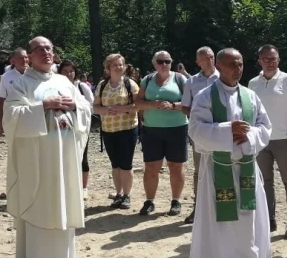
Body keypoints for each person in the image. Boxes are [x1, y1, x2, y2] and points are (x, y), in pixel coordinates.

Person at [4, 36, 91, 258]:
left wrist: (74, 105)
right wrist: (44, 105)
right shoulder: (21, 84)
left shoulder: (64, 81)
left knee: (65, 205)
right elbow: (11, 118)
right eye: (40, 49)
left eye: (49, 48)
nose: (46, 52)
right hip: (39, 159)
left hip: (65, 155)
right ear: (29, 56)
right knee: (44, 206)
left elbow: (86, 106)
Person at [188, 48, 273, 258]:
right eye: (232, 65)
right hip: (217, 169)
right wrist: (228, 130)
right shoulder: (205, 96)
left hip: (245, 165)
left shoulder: (251, 96)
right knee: (217, 222)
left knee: (247, 221)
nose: (238, 69)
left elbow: (265, 127)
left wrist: (246, 136)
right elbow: (196, 130)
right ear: (220, 66)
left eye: (241, 64)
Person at [248, 44, 287, 238]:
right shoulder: (253, 83)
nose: (270, 63)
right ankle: (269, 220)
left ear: (279, 60)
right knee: (265, 182)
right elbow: (251, 111)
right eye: (266, 59)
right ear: (259, 61)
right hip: (261, 139)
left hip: (284, 138)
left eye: (273, 59)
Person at [134, 51, 188, 217]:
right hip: (152, 129)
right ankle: (149, 201)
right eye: (160, 61)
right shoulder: (147, 80)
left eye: (167, 61)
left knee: (176, 166)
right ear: (154, 63)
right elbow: (138, 102)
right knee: (151, 167)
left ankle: (175, 201)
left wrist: (173, 106)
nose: (164, 64)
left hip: (177, 128)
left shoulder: (180, 79)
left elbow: (189, 103)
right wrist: (152, 105)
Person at [93, 54, 140, 209]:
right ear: (108, 68)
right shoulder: (102, 85)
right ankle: (118, 194)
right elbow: (95, 107)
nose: (119, 68)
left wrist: (122, 109)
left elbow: (138, 105)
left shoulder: (130, 84)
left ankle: (127, 195)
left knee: (126, 165)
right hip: (108, 130)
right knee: (115, 165)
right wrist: (105, 110)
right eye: (115, 65)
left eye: (121, 65)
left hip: (127, 129)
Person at [180, 46, 220, 225]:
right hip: (201, 133)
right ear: (198, 62)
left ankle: (221, 207)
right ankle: (198, 208)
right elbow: (185, 106)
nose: (209, 60)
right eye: (205, 58)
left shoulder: (223, 78)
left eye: (211, 56)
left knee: (222, 167)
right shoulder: (192, 82)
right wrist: (197, 117)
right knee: (200, 170)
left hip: (221, 130)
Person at [59, 60, 95, 199]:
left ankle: (84, 187)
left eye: (71, 71)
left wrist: (75, 106)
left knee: (82, 157)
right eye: (65, 71)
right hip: (61, 129)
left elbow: (91, 106)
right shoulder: (55, 86)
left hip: (80, 128)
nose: (69, 74)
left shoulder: (82, 87)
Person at [0, 48, 28, 135]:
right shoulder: (6, 77)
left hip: (32, 115)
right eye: (21, 58)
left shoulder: (34, 75)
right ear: (13, 61)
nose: (24, 60)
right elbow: (1, 100)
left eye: (26, 57)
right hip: (14, 117)